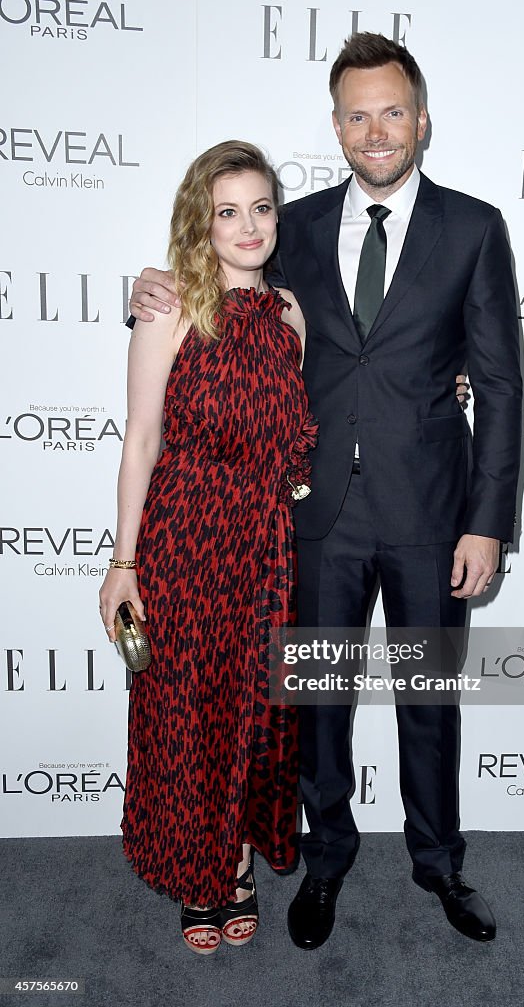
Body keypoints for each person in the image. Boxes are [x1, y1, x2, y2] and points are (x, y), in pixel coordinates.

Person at [129, 33, 523, 949]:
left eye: (392, 111)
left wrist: (487, 524)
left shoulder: (473, 228)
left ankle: (438, 863)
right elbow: (214, 294)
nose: (375, 130)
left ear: (420, 120)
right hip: (312, 524)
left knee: (429, 703)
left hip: (431, 519)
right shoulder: (289, 226)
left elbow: (499, 384)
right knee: (318, 711)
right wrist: (145, 291)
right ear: (336, 125)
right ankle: (326, 861)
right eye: (357, 114)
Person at [100, 140, 317, 955]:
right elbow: (142, 437)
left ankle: (234, 862)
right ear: (204, 222)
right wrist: (123, 564)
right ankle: (202, 874)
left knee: (253, 711)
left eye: (261, 207)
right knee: (187, 710)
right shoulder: (170, 307)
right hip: (185, 535)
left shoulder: (291, 313)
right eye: (228, 211)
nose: (248, 225)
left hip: (265, 544)